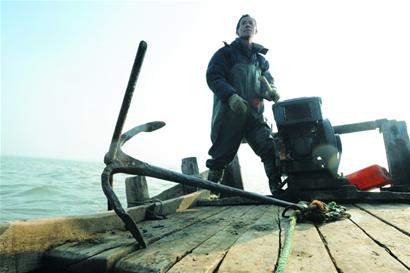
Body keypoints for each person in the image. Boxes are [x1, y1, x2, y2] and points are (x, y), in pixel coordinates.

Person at [205, 14, 281, 195]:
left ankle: (277, 189)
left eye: (251, 24)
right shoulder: (225, 54)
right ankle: (211, 194)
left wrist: (272, 92)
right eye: (243, 23)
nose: (247, 25)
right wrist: (230, 96)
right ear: (237, 30)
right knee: (220, 155)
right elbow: (213, 76)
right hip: (229, 114)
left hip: (254, 115)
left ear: (255, 30)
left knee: (269, 148)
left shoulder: (261, 60)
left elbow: (268, 81)